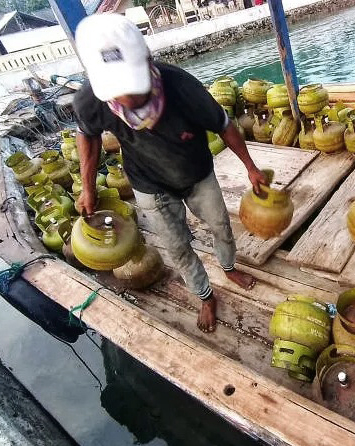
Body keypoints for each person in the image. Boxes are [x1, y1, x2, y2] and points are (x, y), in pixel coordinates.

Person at [72, 14, 268, 332]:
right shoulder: (91, 100)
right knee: (178, 247)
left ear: (147, 61)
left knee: (221, 227)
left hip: (197, 174)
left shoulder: (180, 86)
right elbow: (88, 136)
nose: (128, 100)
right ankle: (205, 295)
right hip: (149, 184)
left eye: (134, 90)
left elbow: (224, 125)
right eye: (118, 93)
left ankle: (229, 267)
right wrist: (88, 187)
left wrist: (251, 168)